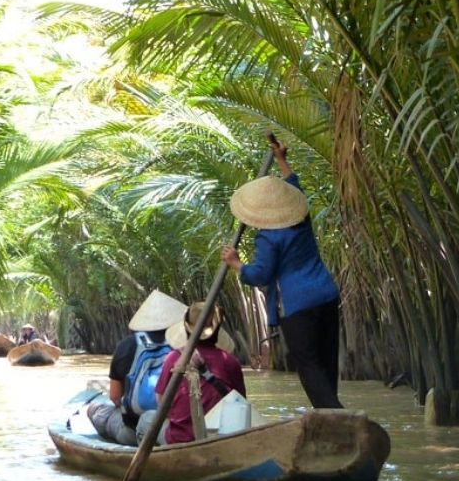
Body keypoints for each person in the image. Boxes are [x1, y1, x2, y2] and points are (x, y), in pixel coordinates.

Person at [221, 138, 343, 409]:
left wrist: (236, 263)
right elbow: (293, 184)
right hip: (325, 294)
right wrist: (281, 159)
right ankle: (333, 417)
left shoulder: (269, 237)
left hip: (297, 305)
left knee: (309, 367)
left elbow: (260, 275)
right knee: (326, 363)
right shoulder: (302, 218)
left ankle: (338, 418)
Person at [87, 289, 186, 445]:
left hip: (132, 432)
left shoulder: (127, 345)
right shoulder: (184, 346)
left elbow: (114, 397)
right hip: (175, 427)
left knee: (94, 410)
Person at [151, 302, 245, 445]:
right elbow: (240, 404)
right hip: (221, 441)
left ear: (187, 328)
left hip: (180, 440)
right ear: (217, 331)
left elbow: (161, 402)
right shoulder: (231, 362)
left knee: (145, 420)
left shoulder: (174, 358)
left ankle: (156, 463)